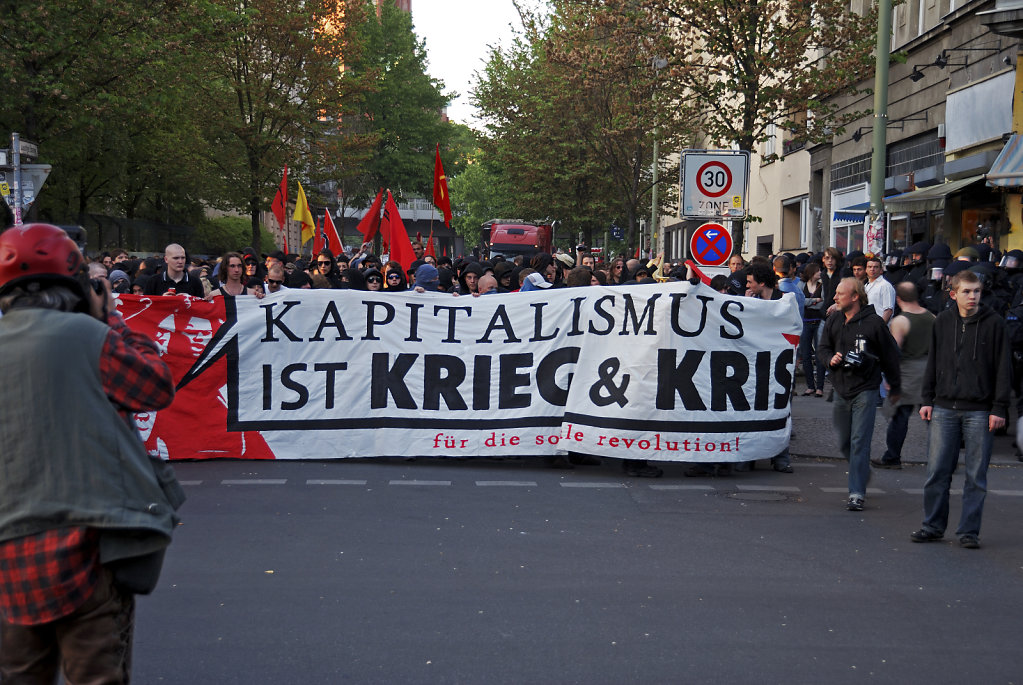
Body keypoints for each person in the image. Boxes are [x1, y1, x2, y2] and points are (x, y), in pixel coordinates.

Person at [0, 223, 182, 683]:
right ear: (79, 283)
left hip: (10, 549)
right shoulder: (88, 334)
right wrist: (111, 319)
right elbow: (154, 385)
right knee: (97, 674)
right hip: (89, 546)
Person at [911, 270, 1011, 548]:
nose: (973, 296)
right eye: (967, 291)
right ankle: (932, 526)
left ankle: (969, 532)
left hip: (980, 410)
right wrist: (927, 400)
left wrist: (999, 408)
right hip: (943, 407)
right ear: (953, 294)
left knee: (975, 476)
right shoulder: (942, 321)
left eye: (977, 291)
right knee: (937, 472)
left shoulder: (995, 324)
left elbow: (1004, 368)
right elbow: (932, 361)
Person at [819, 277, 901, 511]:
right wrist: (829, 359)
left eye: (839, 294)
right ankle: (862, 469)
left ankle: (856, 493)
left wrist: (894, 388)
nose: (834, 297)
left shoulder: (874, 324)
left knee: (859, 441)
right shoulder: (834, 319)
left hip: (866, 389)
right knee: (845, 441)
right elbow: (823, 348)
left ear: (855, 297)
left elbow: (892, 356)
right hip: (840, 389)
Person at [872, 282, 935, 469]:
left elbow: (894, 352)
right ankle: (942, 457)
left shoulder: (900, 321)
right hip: (930, 371)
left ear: (898, 299)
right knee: (933, 418)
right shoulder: (932, 317)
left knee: (900, 417)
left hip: (907, 373)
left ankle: (892, 457)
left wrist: (891, 378)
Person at [799, 263, 827, 397]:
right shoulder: (801, 285)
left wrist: (809, 302)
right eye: (817, 271)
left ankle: (820, 387)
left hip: (819, 321)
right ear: (811, 272)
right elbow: (800, 301)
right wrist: (814, 300)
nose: (820, 273)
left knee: (820, 354)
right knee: (805, 355)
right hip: (805, 322)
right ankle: (810, 386)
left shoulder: (822, 285)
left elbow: (824, 302)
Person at [864, 255, 896, 323]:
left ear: (881, 270)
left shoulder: (885, 286)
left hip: (880, 327)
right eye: (869, 267)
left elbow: (888, 310)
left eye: (875, 267)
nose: (872, 269)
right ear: (866, 270)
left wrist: (880, 328)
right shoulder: (866, 286)